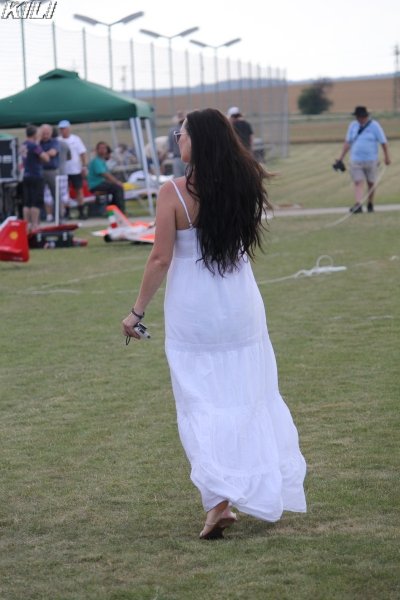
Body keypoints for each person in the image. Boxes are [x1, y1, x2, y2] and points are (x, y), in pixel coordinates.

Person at [122, 109, 307, 540]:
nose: (177, 140)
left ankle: (218, 502)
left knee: (200, 404)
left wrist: (136, 312)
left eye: (182, 134)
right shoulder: (244, 183)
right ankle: (224, 499)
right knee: (247, 398)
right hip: (240, 306)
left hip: (195, 312)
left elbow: (160, 258)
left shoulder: (173, 192)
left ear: (199, 141)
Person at [335, 106, 391, 213]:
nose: (358, 118)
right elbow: (348, 142)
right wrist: (340, 158)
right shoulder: (353, 125)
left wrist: (387, 157)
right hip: (356, 160)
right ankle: (358, 205)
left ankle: (370, 203)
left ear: (364, 116)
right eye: (356, 116)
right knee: (358, 181)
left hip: (371, 160)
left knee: (371, 183)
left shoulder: (375, 126)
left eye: (359, 116)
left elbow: (383, 142)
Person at [20, 124, 50, 231]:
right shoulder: (34, 146)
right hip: (35, 175)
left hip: (25, 175)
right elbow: (45, 158)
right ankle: (34, 225)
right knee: (35, 202)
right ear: (34, 134)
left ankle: (26, 225)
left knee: (26, 202)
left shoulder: (23, 145)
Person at [58, 119, 88, 219]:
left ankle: (81, 211)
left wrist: (84, 166)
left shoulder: (76, 139)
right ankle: (67, 211)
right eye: (61, 129)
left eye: (64, 129)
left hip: (75, 170)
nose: (63, 131)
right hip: (63, 170)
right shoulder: (58, 140)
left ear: (68, 129)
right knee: (64, 192)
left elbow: (82, 153)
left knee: (79, 190)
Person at [87, 141, 126, 212]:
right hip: (95, 185)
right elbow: (105, 174)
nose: (103, 150)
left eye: (104, 148)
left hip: (101, 183)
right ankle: (119, 210)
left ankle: (113, 209)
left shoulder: (102, 161)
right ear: (97, 150)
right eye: (101, 148)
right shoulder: (96, 161)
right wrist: (116, 182)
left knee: (116, 188)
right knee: (118, 188)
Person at [39, 124, 59, 222]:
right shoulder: (38, 143)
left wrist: (42, 155)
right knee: (39, 194)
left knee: (56, 194)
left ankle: (58, 216)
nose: (45, 135)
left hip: (52, 171)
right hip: (40, 171)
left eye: (47, 133)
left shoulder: (55, 142)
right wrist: (46, 154)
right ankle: (42, 215)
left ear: (51, 133)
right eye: (43, 133)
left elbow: (53, 152)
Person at [167, 110, 186, 177]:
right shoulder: (190, 130)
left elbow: (170, 148)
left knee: (178, 179)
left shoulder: (172, 131)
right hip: (189, 159)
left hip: (177, 158)